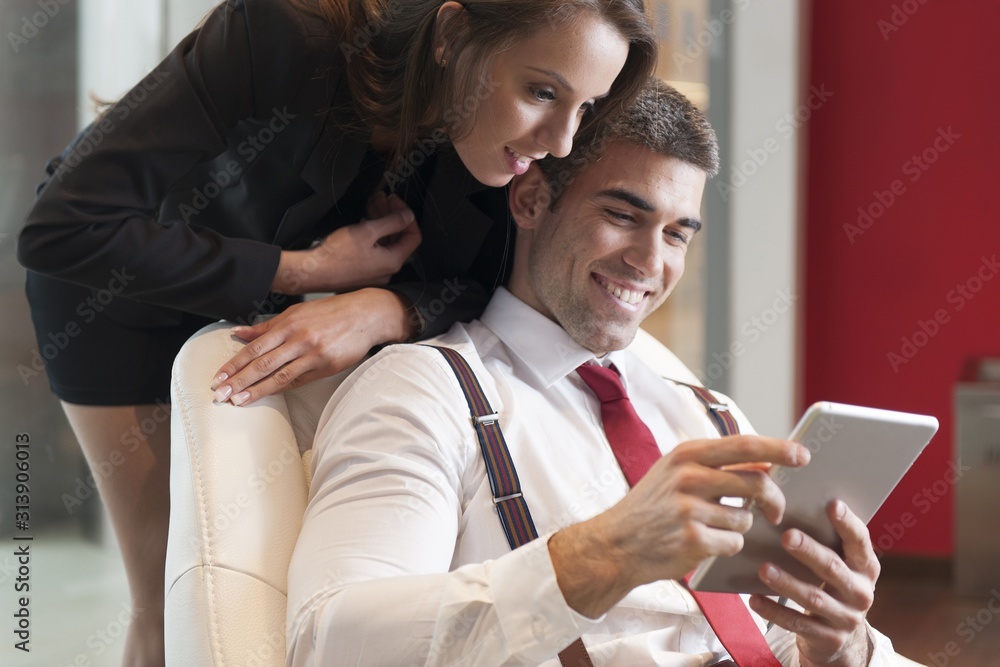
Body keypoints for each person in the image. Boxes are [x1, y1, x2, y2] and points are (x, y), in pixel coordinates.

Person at [15, 1, 656, 663]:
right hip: (120, 293)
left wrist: (386, 308)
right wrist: (308, 270)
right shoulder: (285, 32)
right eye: (542, 91)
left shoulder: (505, 143)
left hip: (268, 299)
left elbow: (483, 278)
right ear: (453, 33)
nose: (561, 140)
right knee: (171, 596)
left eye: (586, 107)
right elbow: (62, 229)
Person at [285, 79, 899, 666]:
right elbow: (330, 643)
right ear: (530, 200)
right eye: (624, 216)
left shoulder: (710, 415)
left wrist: (840, 647)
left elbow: (771, 635)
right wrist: (605, 553)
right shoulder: (424, 391)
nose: (649, 262)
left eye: (677, 235)